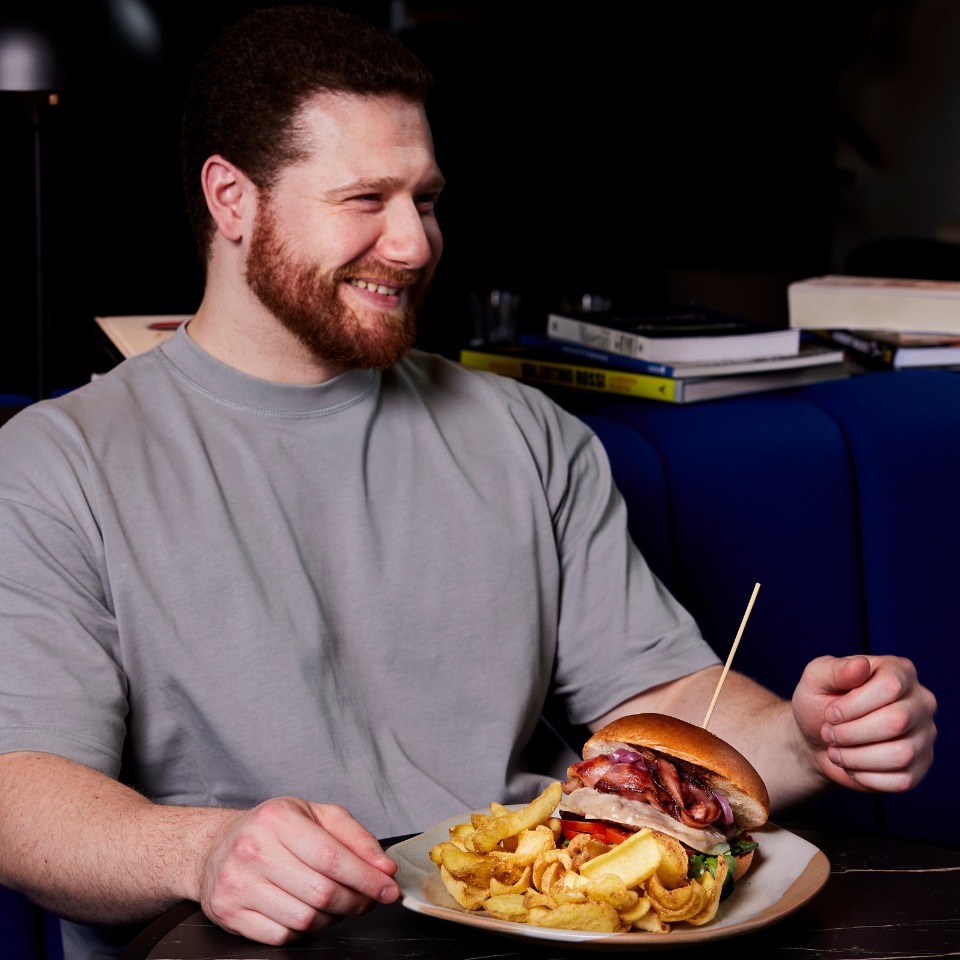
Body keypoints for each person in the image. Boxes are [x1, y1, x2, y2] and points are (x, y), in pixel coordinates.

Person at [0, 6, 937, 959]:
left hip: (540, 912)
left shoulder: (522, 431)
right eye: (366, 199)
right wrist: (202, 852)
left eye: (428, 200)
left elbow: (657, 692)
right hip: (253, 936)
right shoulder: (57, 463)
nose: (413, 244)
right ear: (232, 200)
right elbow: (19, 788)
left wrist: (809, 738)